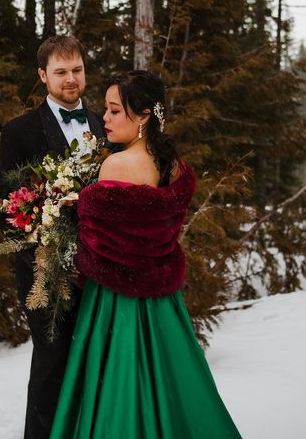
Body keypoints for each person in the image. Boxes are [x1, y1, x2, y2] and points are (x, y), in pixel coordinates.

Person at [50, 70, 242, 439]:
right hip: (163, 300)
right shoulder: (171, 164)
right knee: (171, 384)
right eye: (105, 110)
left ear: (142, 116)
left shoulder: (117, 165)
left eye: (113, 111)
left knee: (116, 388)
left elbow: (96, 242)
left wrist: (69, 213)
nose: (103, 118)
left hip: (114, 300)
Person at [0, 35, 104, 439]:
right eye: (61, 72)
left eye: (77, 70)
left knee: (95, 360)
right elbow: (7, 210)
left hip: (98, 272)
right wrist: (45, 262)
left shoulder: (104, 124)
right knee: (51, 364)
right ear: (43, 76)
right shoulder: (19, 131)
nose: (71, 79)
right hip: (46, 277)